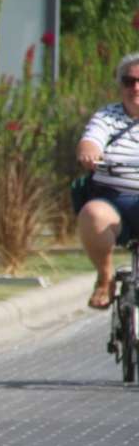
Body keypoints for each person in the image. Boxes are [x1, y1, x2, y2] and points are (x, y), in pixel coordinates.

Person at [76, 51, 139, 309]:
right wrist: (89, 151)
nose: (135, 87)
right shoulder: (107, 117)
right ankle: (104, 278)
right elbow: (91, 139)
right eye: (128, 81)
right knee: (93, 213)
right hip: (114, 202)